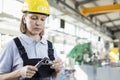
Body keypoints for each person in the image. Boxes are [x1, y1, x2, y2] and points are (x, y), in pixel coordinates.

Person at [0, 0, 63, 80]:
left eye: (42, 19)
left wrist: (57, 71)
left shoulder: (50, 46)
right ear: (24, 19)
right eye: (34, 18)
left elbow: (54, 78)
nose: (38, 23)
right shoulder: (12, 45)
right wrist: (19, 73)